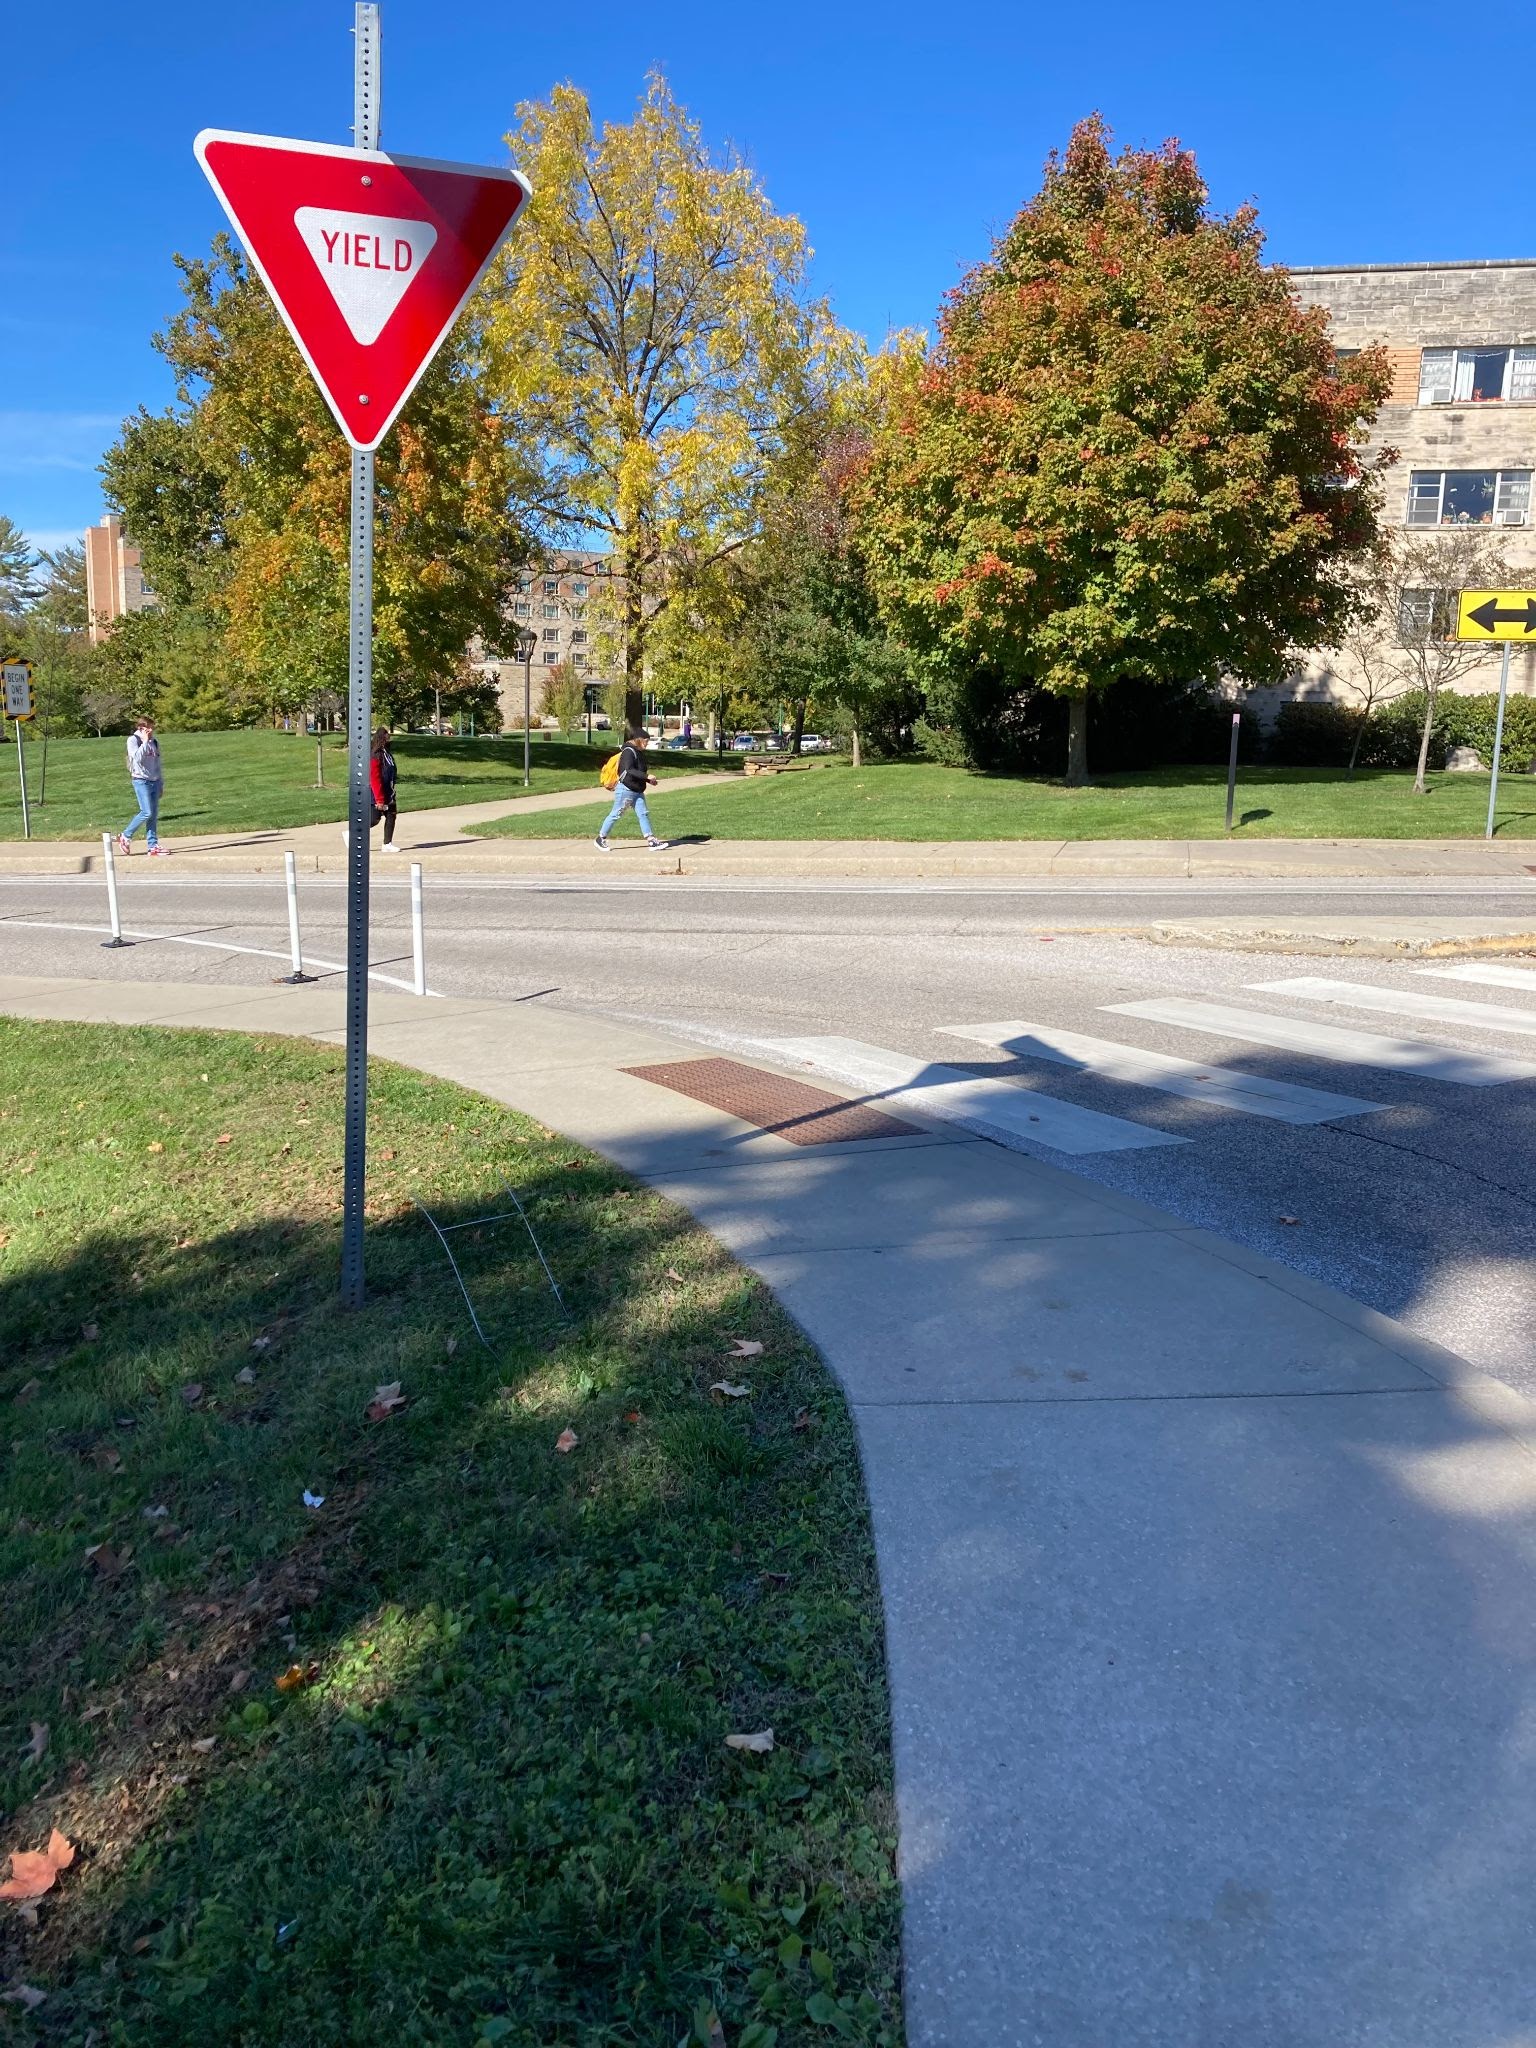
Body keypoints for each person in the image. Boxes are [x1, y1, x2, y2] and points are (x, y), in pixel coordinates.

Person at [594, 727, 665, 851]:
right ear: (639, 740)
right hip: (626, 790)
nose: (647, 744)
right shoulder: (628, 751)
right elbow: (629, 770)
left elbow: (637, 771)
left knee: (643, 814)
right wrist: (646, 776)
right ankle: (600, 838)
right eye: (646, 741)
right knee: (616, 814)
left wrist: (648, 780)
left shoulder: (638, 752)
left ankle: (651, 840)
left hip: (637, 790)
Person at [340, 727, 400, 851]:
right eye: (387, 735)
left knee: (391, 815)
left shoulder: (386, 754)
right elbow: (375, 778)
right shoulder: (375, 755)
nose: (389, 738)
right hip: (377, 794)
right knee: (374, 819)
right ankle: (352, 833)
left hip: (388, 792)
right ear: (382, 738)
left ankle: (387, 844)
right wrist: (379, 799)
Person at [119, 717, 167, 857]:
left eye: (152, 727)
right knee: (146, 812)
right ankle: (125, 836)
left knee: (153, 815)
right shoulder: (133, 740)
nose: (151, 730)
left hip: (154, 781)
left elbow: (158, 764)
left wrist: (161, 783)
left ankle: (152, 846)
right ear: (141, 728)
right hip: (141, 780)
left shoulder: (154, 742)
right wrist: (145, 742)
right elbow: (137, 759)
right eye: (148, 728)